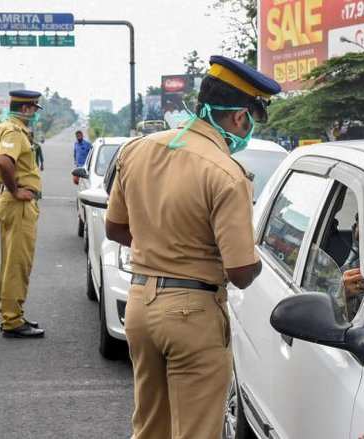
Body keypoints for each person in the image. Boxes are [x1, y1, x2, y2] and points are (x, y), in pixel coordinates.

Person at [105, 55, 280, 439]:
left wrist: (162, 245)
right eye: (252, 119)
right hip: (193, 315)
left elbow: (115, 227)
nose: (248, 129)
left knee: (150, 426)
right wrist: (259, 258)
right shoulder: (227, 174)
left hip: (140, 306)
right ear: (238, 117)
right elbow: (240, 272)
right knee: (197, 431)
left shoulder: (137, 151)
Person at [0, 90, 45, 338]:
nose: (34, 115)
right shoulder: (14, 132)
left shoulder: (1, 129)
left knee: (11, 261)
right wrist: (14, 190)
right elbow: (2, 163)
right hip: (18, 205)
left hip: (9, 201)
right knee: (17, 263)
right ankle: (12, 321)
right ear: (27, 109)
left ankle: (11, 314)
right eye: (34, 109)